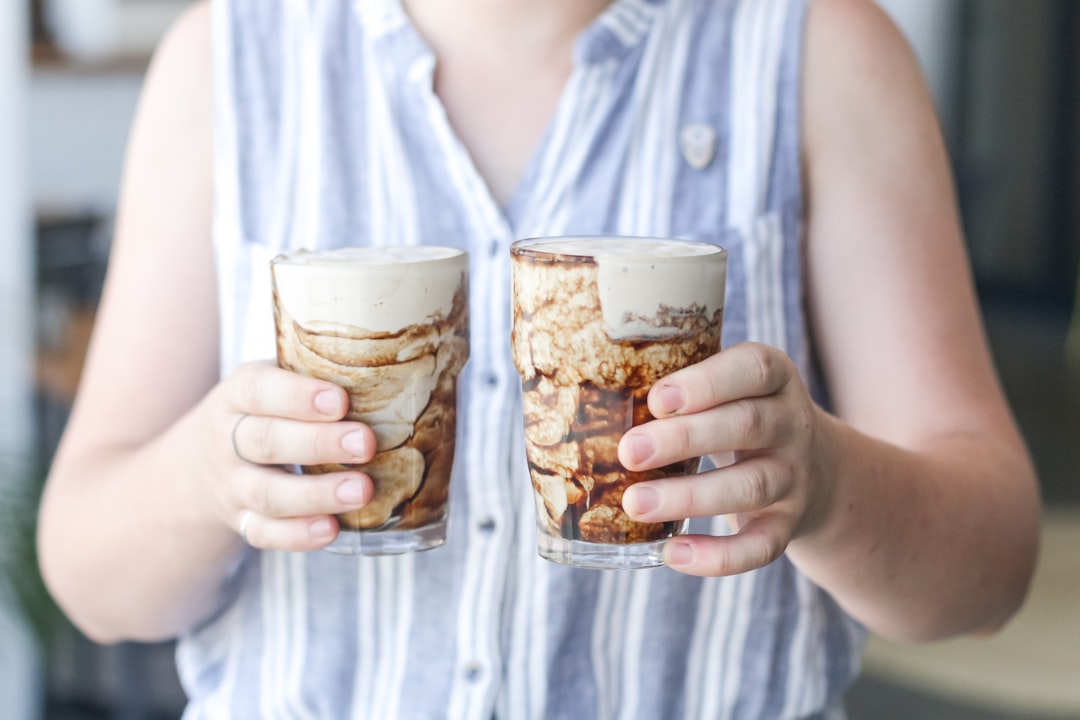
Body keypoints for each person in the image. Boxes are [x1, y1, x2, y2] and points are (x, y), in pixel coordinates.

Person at [38, 0, 1041, 717]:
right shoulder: (227, 64)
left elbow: (990, 572)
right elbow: (89, 573)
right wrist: (210, 478)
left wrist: (825, 484)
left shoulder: (819, 49)